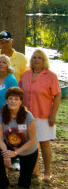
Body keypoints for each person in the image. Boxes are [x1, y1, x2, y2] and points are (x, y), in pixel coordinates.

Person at [19, 49, 61, 181]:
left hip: (44, 115)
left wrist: (53, 115)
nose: (36, 60)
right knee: (30, 143)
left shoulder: (51, 76)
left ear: (44, 60)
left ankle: (47, 171)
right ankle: (33, 169)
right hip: (27, 116)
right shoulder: (26, 74)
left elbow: (58, 94)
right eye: (34, 57)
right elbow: (19, 93)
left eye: (39, 58)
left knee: (44, 143)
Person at [0, 87, 38, 189]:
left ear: (21, 101)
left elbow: (32, 140)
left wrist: (16, 153)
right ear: (6, 100)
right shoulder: (1, 115)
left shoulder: (28, 116)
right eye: (10, 98)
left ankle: (25, 177)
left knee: (24, 185)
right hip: (10, 147)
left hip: (28, 151)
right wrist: (6, 154)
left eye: (16, 99)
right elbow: (0, 139)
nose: (13, 101)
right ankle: (4, 181)